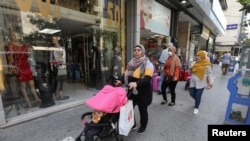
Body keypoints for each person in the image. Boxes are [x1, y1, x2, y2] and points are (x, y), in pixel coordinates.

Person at [114, 44, 154, 134]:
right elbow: (126, 74)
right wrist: (120, 80)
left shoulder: (148, 64)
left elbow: (147, 79)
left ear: (143, 52)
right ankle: (133, 124)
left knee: (142, 110)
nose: (136, 52)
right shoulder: (131, 62)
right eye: (135, 50)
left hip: (144, 92)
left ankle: (143, 126)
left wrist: (136, 83)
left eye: (139, 50)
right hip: (132, 91)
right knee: (129, 108)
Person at [5, 31, 41, 108]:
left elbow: (30, 55)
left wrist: (30, 51)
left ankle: (36, 98)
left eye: (16, 35)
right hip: (19, 67)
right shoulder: (10, 46)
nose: (15, 37)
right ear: (11, 37)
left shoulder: (25, 46)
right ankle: (28, 102)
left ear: (19, 36)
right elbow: (10, 59)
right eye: (13, 35)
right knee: (23, 85)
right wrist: (13, 68)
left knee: (32, 84)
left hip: (27, 66)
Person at [189, 50, 213, 115]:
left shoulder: (207, 64)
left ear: (202, 56)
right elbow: (190, 71)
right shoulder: (194, 63)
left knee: (198, 96)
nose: (197, 57)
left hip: (201, 83)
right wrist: (190, 69)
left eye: (198, 55)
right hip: (193, 82)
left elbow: (209, 74)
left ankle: (196, 108)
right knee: (191, 93)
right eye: (196, 55)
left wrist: (210, 82)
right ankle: (197, 100)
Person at [49, 36, 69, 100]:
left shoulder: (62, 48)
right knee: (55, 80)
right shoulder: (52, 48)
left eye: (54, 39)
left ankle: (61, 93)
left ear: (57, 40)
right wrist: (51, 65)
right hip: (56, 66)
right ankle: (53, 93)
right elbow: (51, 57)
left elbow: (64, 57)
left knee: (61, 80)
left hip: (62, 65)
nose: (53, 40)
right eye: (52, 39)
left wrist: (64, 65)